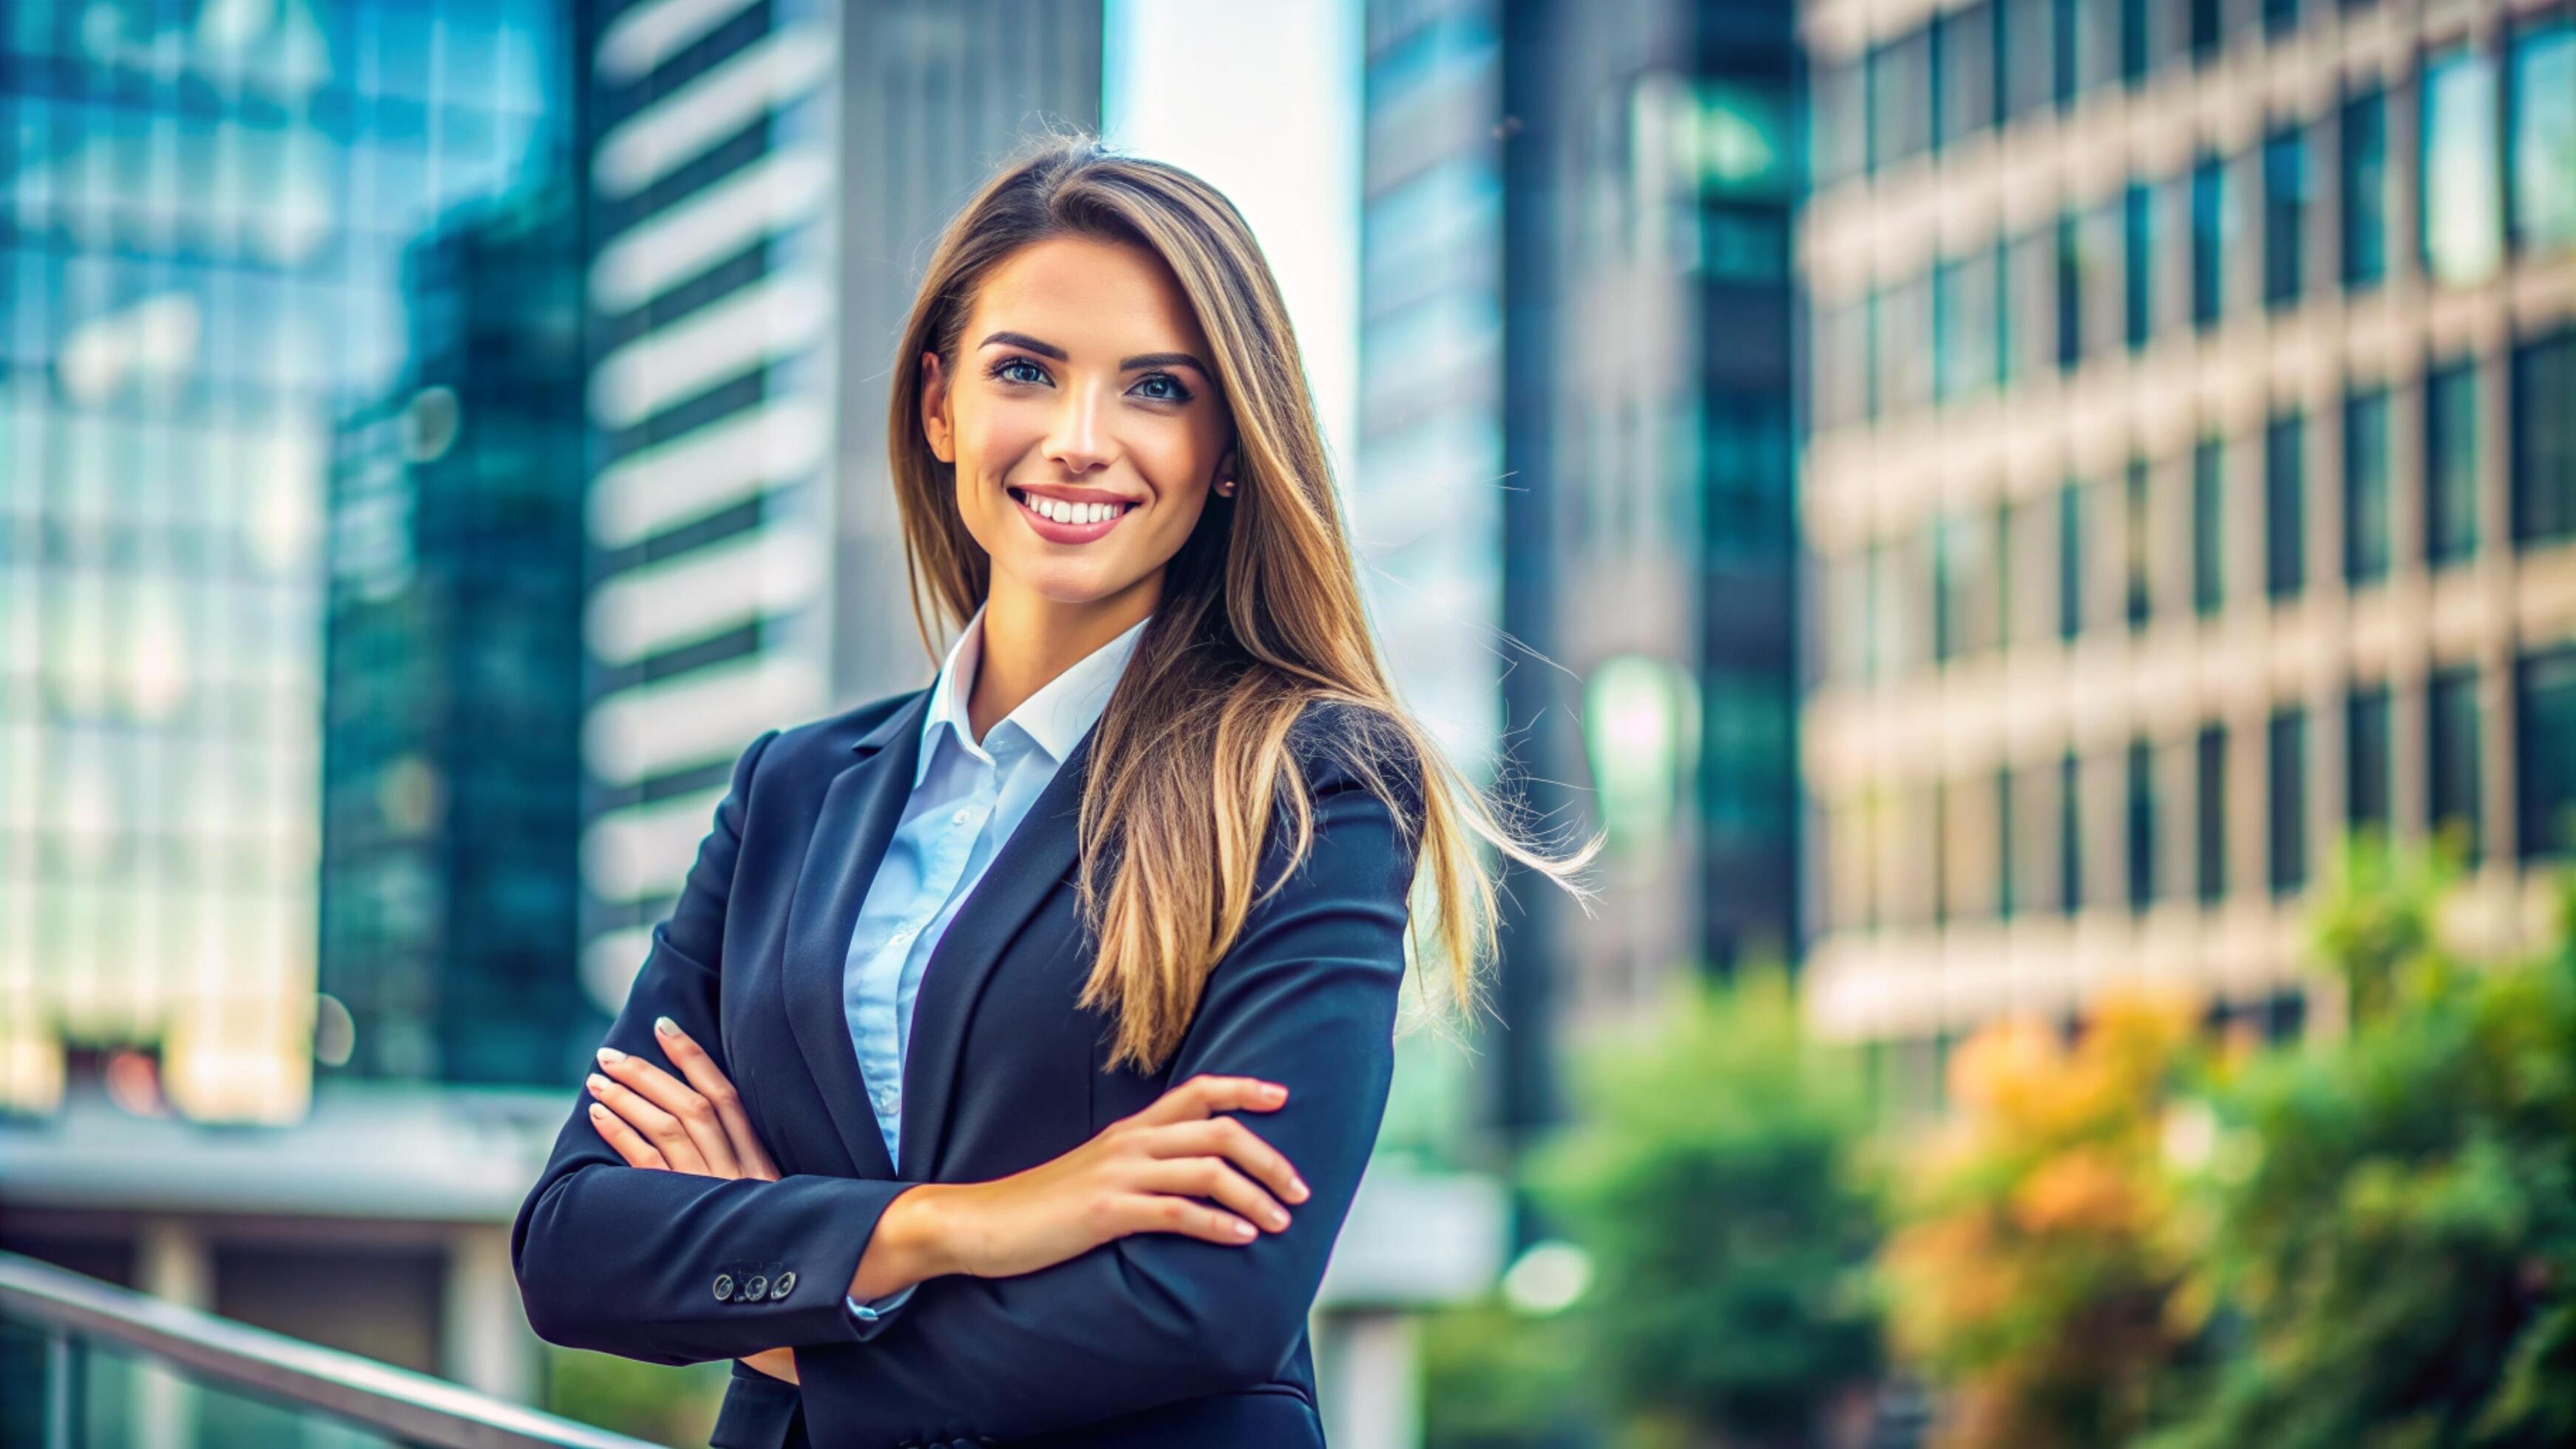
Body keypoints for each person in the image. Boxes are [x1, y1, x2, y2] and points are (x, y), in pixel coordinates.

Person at [510, 130, 1599, 1448]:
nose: (1081, 442)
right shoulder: (791, 791)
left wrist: (797, 1316)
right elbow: (573, 1246)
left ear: (1232, 446)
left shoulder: (1309, 780)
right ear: (939, 405)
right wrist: (961, 1223)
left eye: (1156, 388)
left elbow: (1210, 1303)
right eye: (1025, 371)